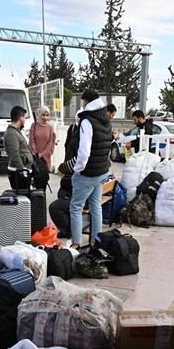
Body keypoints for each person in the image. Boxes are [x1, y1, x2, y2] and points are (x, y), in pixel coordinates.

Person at [68, 89, 113, 247]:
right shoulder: (105, 119)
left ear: (85, 102)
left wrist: (77, 169)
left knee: (75, 207)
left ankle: (76, 244)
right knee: (96, 206)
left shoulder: (87, 121)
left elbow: (84, 151)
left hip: (88, 173)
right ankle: (95, 241)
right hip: (102, 171)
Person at [3, 105, 33, 192]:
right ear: (20, 118)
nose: (25, 120)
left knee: (25, 198)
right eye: (24, 117)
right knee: (22, 198)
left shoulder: (16, 131)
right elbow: (14, 155)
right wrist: (22, 171)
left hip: (21, 171)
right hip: (18, 172)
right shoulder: (11, 134)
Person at [29, 107, 56, 173]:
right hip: (35, 158)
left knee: (44, 179)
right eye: (43, 115)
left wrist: (42, 154)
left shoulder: (50, 127)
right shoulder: (34, 125)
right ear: (39, 114)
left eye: (47, 115)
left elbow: (50, 143)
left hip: (45, 158)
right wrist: (35, 153)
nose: (45, 118)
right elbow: (31, 139)